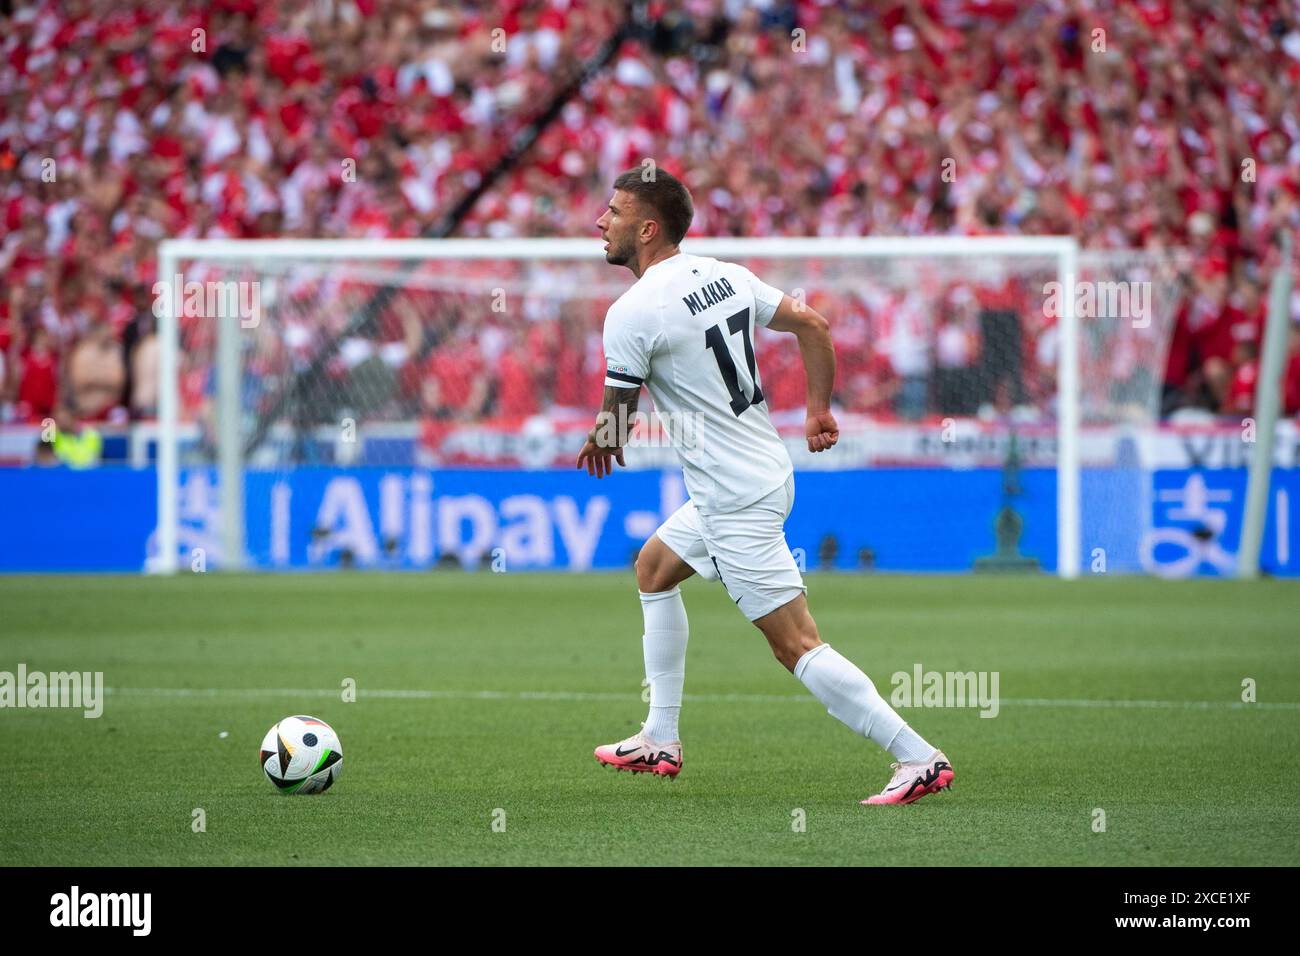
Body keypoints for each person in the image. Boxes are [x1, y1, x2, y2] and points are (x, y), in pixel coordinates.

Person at [576, 168, 953, 805]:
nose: (600, 222)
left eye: (613, 213)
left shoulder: (631, 313)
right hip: (766, 471)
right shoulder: (725, 274)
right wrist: (818, 410)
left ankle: (917, 757)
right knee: (654, 569)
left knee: (796, 645)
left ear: (647, 228)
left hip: (732, 499)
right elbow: (814, 325)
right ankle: (660, 736)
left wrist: (601, 439)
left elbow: (615, 426)